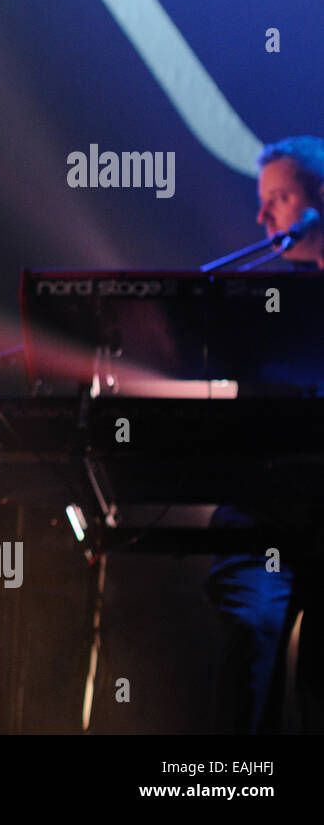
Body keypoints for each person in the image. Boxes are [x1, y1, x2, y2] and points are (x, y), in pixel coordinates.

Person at [205, 135, 323, 733]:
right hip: (262, 513)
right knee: (252, 625)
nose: (262, 216)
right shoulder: (266, 303)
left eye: (278, 198)